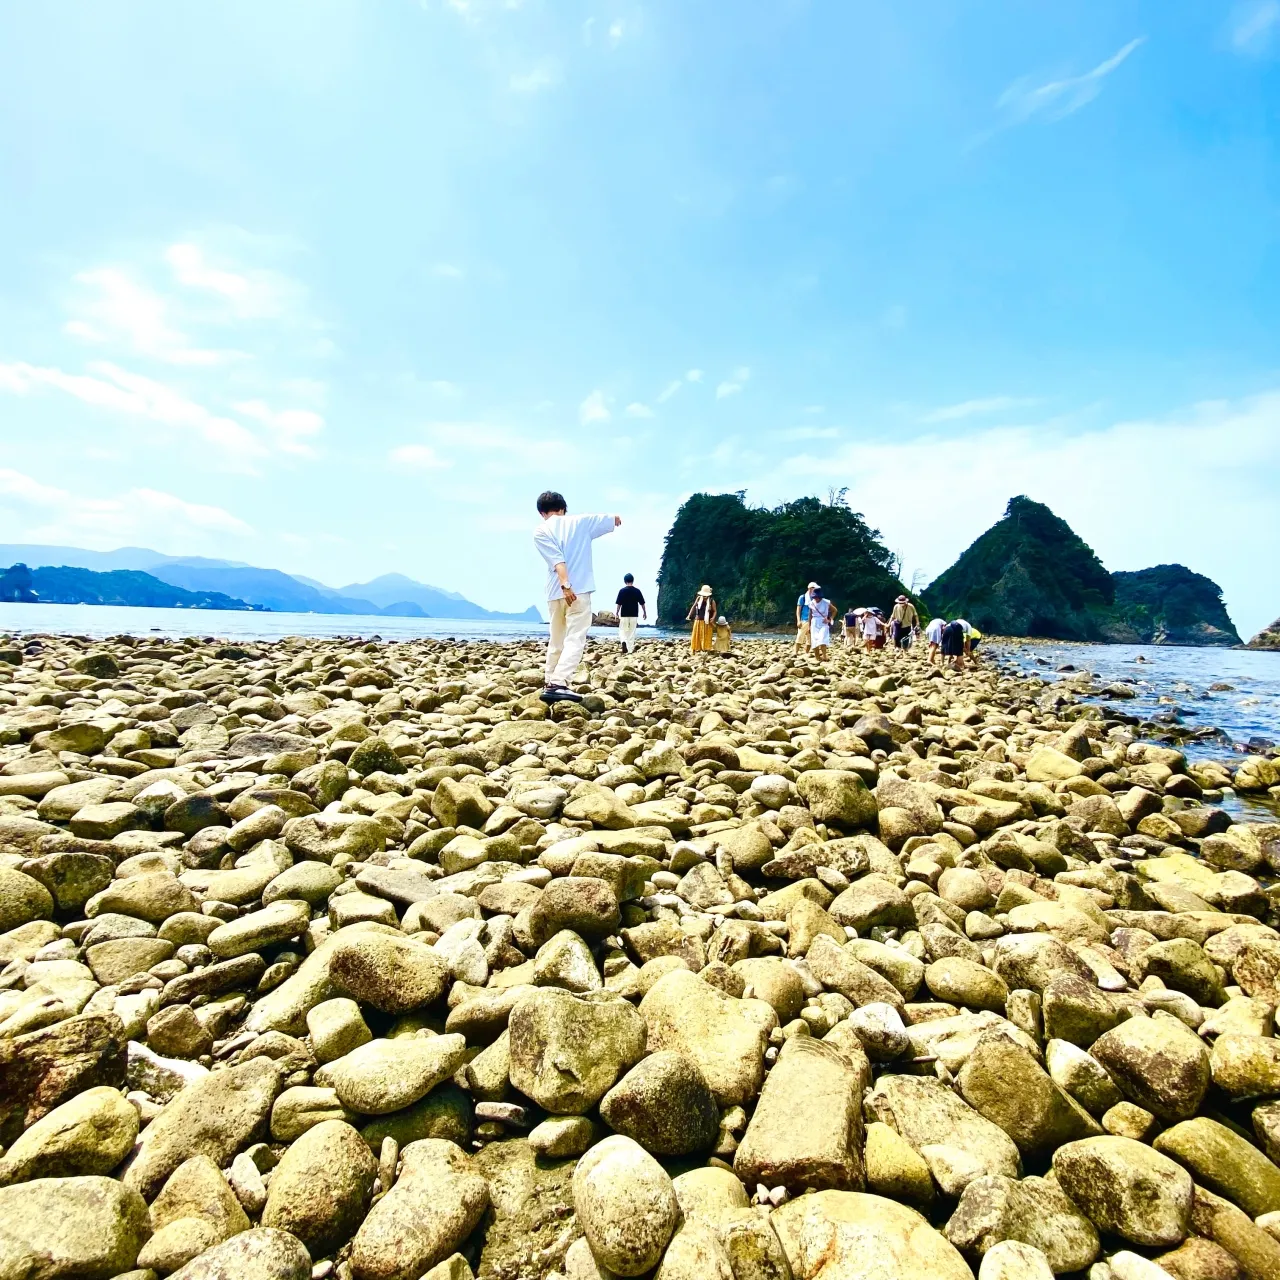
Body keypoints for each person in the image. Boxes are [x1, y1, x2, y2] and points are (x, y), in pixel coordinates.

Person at [532, 490, 620, 703]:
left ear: (542, 512)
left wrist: (562, 584)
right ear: (563, 509)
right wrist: (568, 585)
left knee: (557, 637)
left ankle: (549, 680)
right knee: (575, 637)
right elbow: (613, 519)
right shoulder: (581, 522)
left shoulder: (540, 531)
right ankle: (559, 683)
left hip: (554, 592)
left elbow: (556, 559)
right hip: (577, 590)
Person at [615, 573, 646, 654]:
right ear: (633, 580)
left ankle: (623, 642)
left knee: (623, 630)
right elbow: (642, 603)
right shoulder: (637, 591)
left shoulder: (622, 591)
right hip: (634, 614)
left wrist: (617, 613)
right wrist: (644, 613)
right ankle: (630, 650)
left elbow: (619, 604)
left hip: (624, 614)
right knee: (631, 632)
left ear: (625, 581)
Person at [687, 585, 717, 652]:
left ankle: (706, 648)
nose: (704, 597)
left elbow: (715, 611)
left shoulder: (712, 601)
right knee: (696, 635)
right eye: (703, 595)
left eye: (705, 596)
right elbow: (694, 606)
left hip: (707, 621)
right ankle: (696, 647)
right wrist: (689, 615)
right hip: (698, 620)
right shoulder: (698, 598)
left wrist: (713, 618)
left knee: (706, 635)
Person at [809, 588, 835, 660]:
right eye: (815, 597)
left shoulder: (826, 602)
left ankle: (824, 656)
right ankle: (817, 657)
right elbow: (810, 615)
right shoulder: (811, 603)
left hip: (824, 621)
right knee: (814, 639)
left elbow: (834, 610)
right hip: (814, 622)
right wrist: (809, 626)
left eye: (817, 597)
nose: (816, 599)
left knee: (823, 638)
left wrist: (830, 619)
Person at [795, 582, 818, 652]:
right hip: (804, 620)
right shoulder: (803, 597)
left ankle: (806, 653)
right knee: (800, 636)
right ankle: (795, 652)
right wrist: (798, 621)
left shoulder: (816, 598)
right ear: (810, 588)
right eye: (814, 588)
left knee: (810, 639)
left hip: (813, 620)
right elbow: (798, 610)